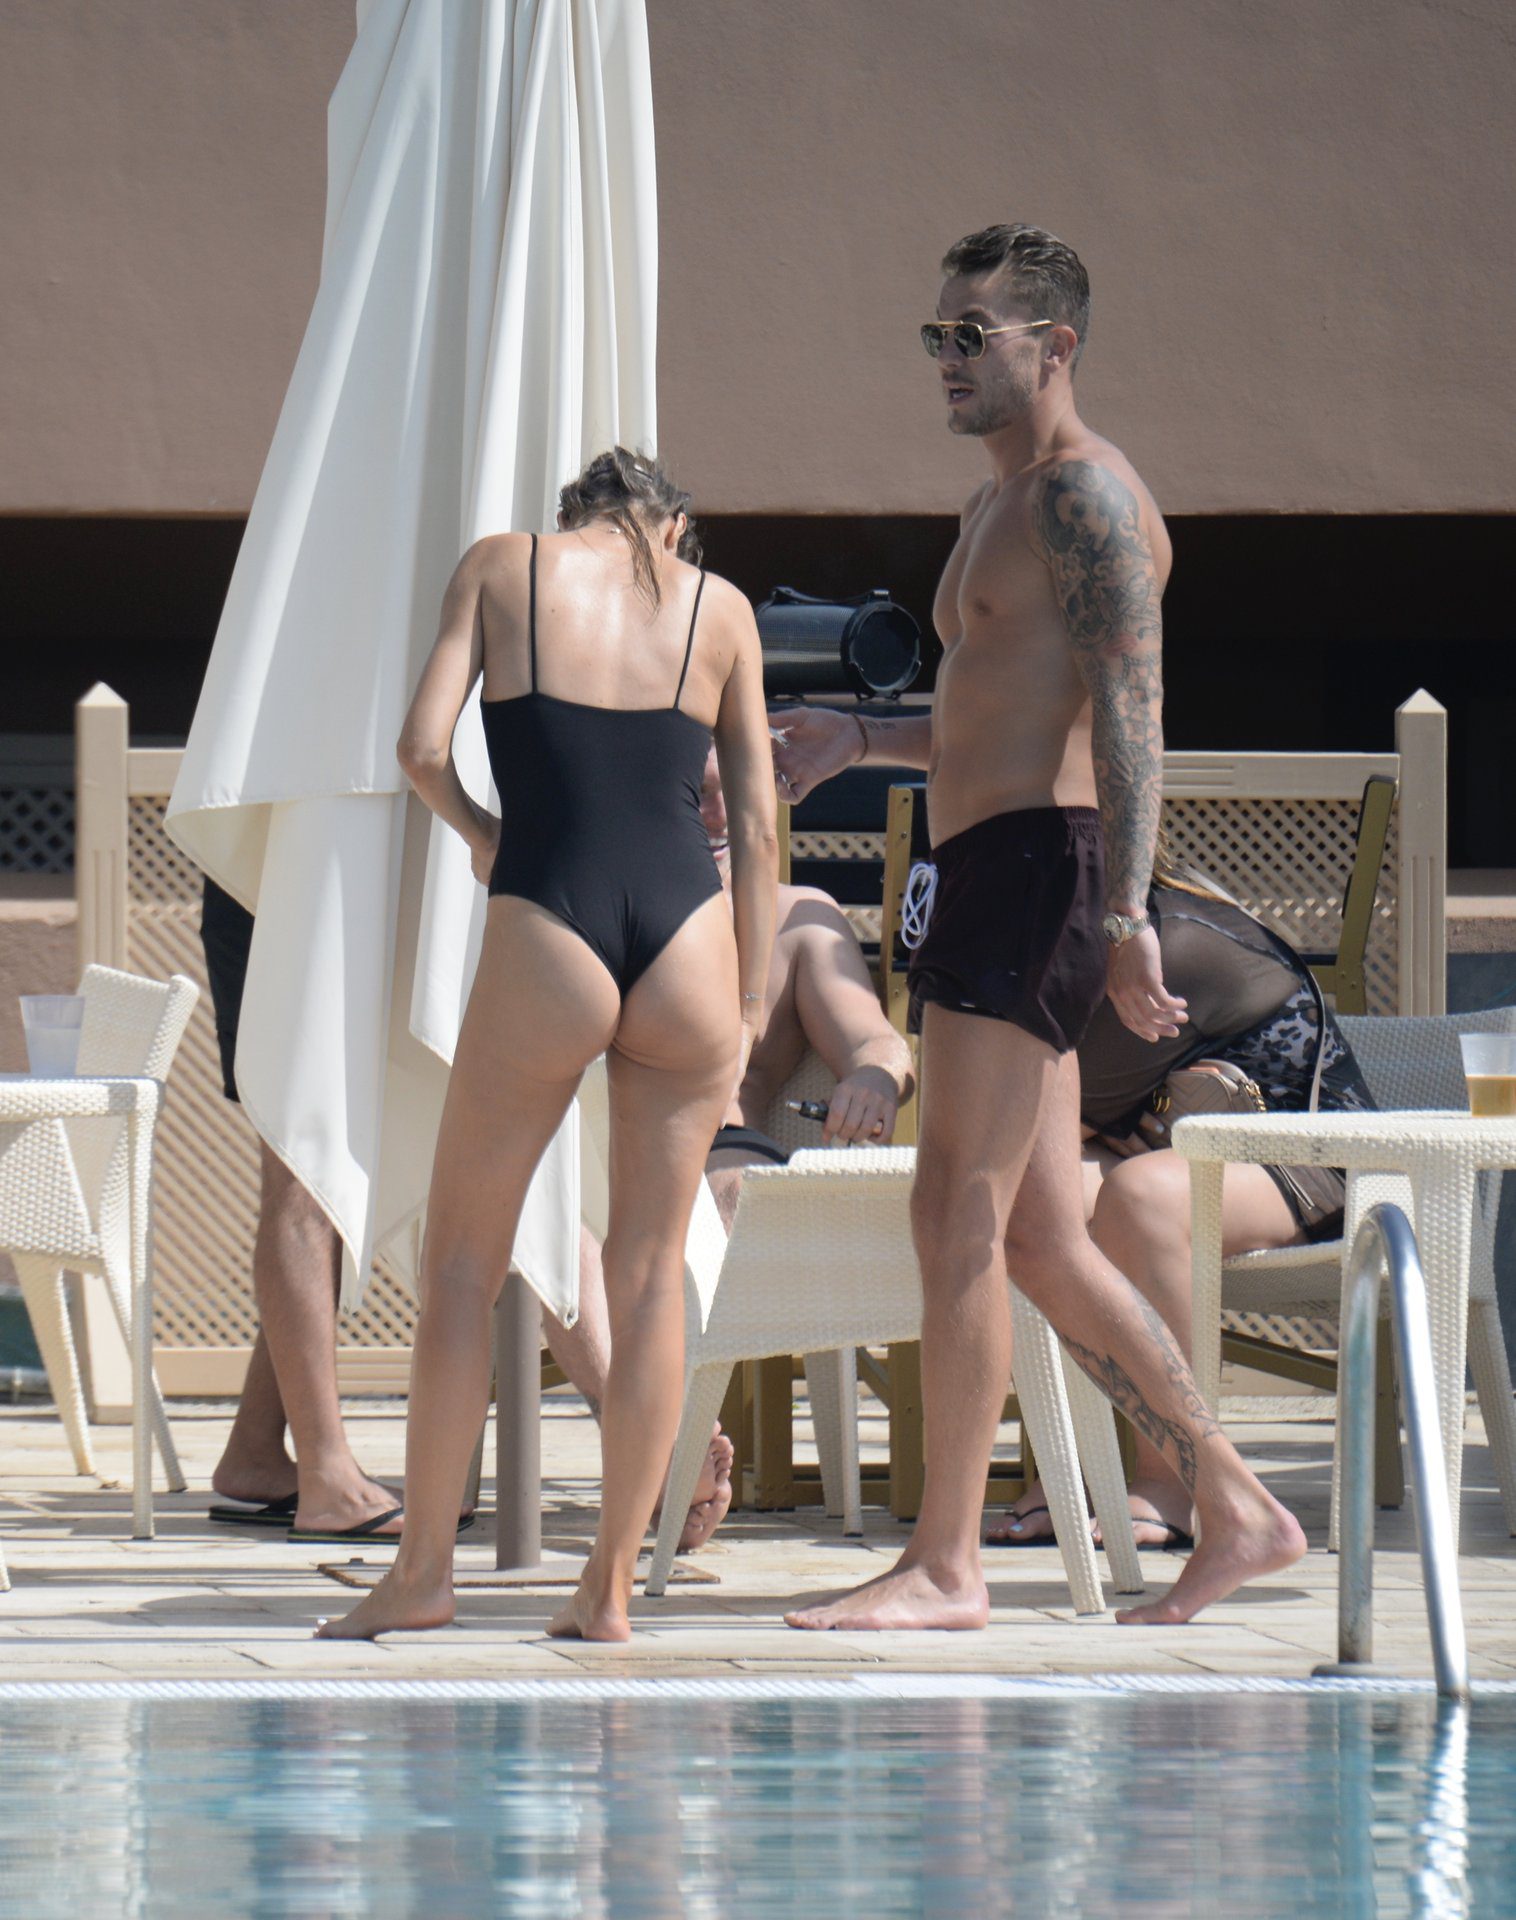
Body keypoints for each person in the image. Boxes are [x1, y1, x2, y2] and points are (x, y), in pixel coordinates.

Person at [772, 223, 1306, 1630]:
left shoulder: (1085, 496)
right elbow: (987, 709)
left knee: (953, 1206)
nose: (945, 359)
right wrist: (855, 735)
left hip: (1038, 873)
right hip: (987, 867)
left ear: (1053, 346)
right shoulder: (992, 504)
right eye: (935, 335)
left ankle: (946, 1566)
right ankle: (1238, 1509)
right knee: (1039, 1236)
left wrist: (1127, 912)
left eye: (972, 335)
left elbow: (1132, 708)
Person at [319, 448, 778, 1643]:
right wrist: (753, 999)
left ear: (574, 515)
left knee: (462, 1269)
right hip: (690, 941)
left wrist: (484, 836)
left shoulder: (502, 569)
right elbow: (758, 823)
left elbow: (421, 750)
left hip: (549, 920)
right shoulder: (719, 608)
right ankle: (609, 1587)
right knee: (651, 1274)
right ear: (670, 527)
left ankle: (423, 1574)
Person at [544, 748, 917, 1550]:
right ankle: (654, 1441)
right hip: (580, 1158)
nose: (715, 814)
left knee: (720, 1197)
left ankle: (653, 1451)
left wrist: (877, 1079)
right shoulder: (581, 900)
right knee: (542, 1219)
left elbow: (876, 1041)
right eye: (694, 790)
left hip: (712, 1154)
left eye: (731, 791)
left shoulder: (795, 918)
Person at [987, 849, 1375, 1549]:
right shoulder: (1056, 943)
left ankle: (1171, 1480)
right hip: (1175, 1150)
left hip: (1315, 1164)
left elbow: (1037, 1106)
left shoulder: (1167, 945)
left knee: (1140, 1198)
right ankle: (1081, 1468)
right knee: (1034, 1198)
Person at [200, 878, 435, 1543]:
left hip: (330, 898)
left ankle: (254, 1451)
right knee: (306, 1180)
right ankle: (327, 1476)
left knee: (324, 1185)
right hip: (283, 899)